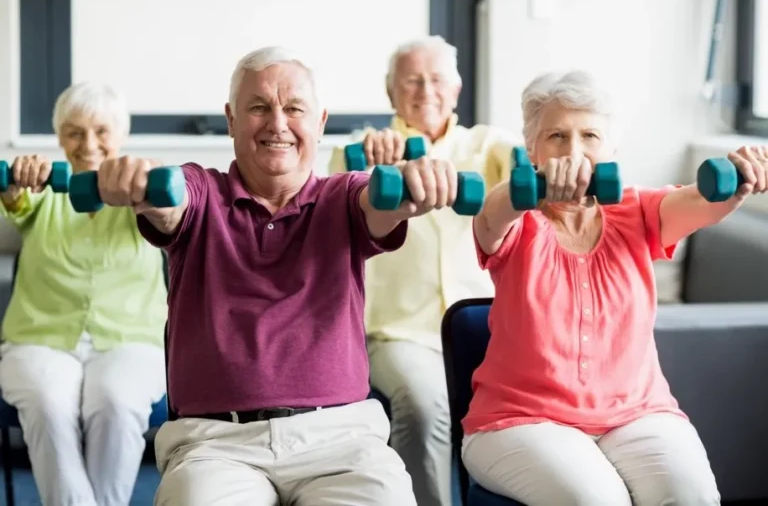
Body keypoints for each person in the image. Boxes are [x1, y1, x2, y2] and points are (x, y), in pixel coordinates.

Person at [92, 45, 461, 506]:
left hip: (342, 441)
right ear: (230, 120)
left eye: (294, 109)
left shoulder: (344, 196)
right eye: (259, 107)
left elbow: (381, 204)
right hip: (215, 444)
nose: (278, 124)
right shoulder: (201, 190)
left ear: (320, 122)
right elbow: (168, 203)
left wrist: (410, 188)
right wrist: (139, 182)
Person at [462, 69, 764, 505]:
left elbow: (704, 201)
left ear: (612, 148)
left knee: (692, 495)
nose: (575, 151)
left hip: (637, 412)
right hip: (520, 420)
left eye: (589, 135)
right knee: (599, 501)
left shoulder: (639, 210)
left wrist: (741, 178)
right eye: (556, 136)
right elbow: (491, 216)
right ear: (531, 150)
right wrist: (531, 188)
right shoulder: (517, 222)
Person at [327, 35, 520, 506]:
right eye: (411, 80)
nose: (425, 90)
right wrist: (370, 170)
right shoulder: (359, 152)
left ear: (455, 90)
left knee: (529, 408)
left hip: (487, 326)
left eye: (436, 79)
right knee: (422, 403)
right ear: (391, 92)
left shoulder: (487, 145)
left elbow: (527, 169)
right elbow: (330, 214)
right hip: (398, 334)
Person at [0, 82, 168, 506]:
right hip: (40, 339)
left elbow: (171, 218)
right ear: (60, 138)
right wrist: (15, 187)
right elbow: (17, 203)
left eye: (101, 131)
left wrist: (146, 184)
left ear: (121, 135)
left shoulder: (141, 196)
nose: (88, 144)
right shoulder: (45, 194)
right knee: (47, 403)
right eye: (74, 132)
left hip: (132, 340)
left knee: (116, 401)